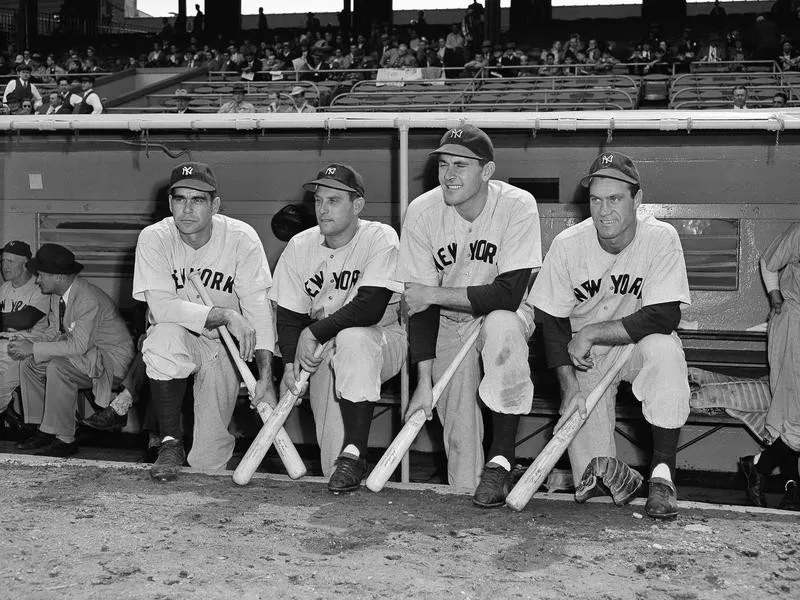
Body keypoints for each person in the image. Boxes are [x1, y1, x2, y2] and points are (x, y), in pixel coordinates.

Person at [529, 152, 691, 520]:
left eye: (615, 199)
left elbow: (665, 314)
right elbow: (552, 321)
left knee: (665, 351)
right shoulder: (569, 244)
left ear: (637, 199)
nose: (603, 210)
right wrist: (568, 385)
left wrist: (592, 331)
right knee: (596, 483)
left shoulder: (660, 237)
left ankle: (662, 477)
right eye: (596, 199)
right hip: (584, 357)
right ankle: (625, 484)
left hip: (635, 343)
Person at [396, 125, 542, 505]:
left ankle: (501, 459)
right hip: (444, 319)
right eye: (444, 164)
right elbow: (419, 305)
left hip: (502, 313)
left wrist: (433, 293)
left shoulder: (517, 204)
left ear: (488, 171)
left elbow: (509, 295)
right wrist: (422, 381)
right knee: (459, 432)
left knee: (502, 325)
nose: (449, 174)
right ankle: (466, 510)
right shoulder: (422, 211)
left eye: (461, 164)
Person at [133, 162, 277, 481]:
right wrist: (224, 313)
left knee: (207, 454)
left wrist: (265, 376)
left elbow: (257, 311)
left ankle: (204, 520)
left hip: (223, 347)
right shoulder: (154, 238)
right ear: (169, 203)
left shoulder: (241, 238)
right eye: (179, 199)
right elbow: (161, 309)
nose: (186, 209)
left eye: (197, 200)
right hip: (180, 336)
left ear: (215, 205)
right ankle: (170, 443)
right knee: (161, 337)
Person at [270, 164, 406, 491]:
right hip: (322, 341)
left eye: (334, 200)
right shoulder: (300, 245)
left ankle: (356, 450)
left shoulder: (379, 236)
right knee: (330, 445)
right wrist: (289, 363)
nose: (323, 208)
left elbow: (371, 306)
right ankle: (343, 479)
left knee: (353, 338)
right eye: (318, 200)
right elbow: (289, 315)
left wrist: (312, 333)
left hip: (380, 336)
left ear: (357, 205)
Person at [10, 244, 135, 457]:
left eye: (41, 275)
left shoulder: (86, 298)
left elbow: (78, 346)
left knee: (59, 367)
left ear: (59, 276)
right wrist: (27, 341)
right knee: (31, 363)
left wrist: (33, 347)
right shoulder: (59, 295)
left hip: (111, 361)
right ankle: (44, 429)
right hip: (88, 356)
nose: (37, 280)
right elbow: (53, 332)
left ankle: (65, 439)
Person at [738, 225, 800, 511]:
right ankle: (788, 484)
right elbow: (769, 261)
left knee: (790, 414)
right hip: (792, 322)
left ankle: (761, 468)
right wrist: (775, 295)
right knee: (791, 412)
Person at [0, 241, 49, 420]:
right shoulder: (4, 289)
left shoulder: (40, 287)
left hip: (28, 348)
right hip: (5, 346)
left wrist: (6, 323)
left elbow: (24, 320)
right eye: (3, 261)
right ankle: (10, 417)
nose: (4, 266)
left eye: (11, 261)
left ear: (25, 263)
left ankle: (10, 417)